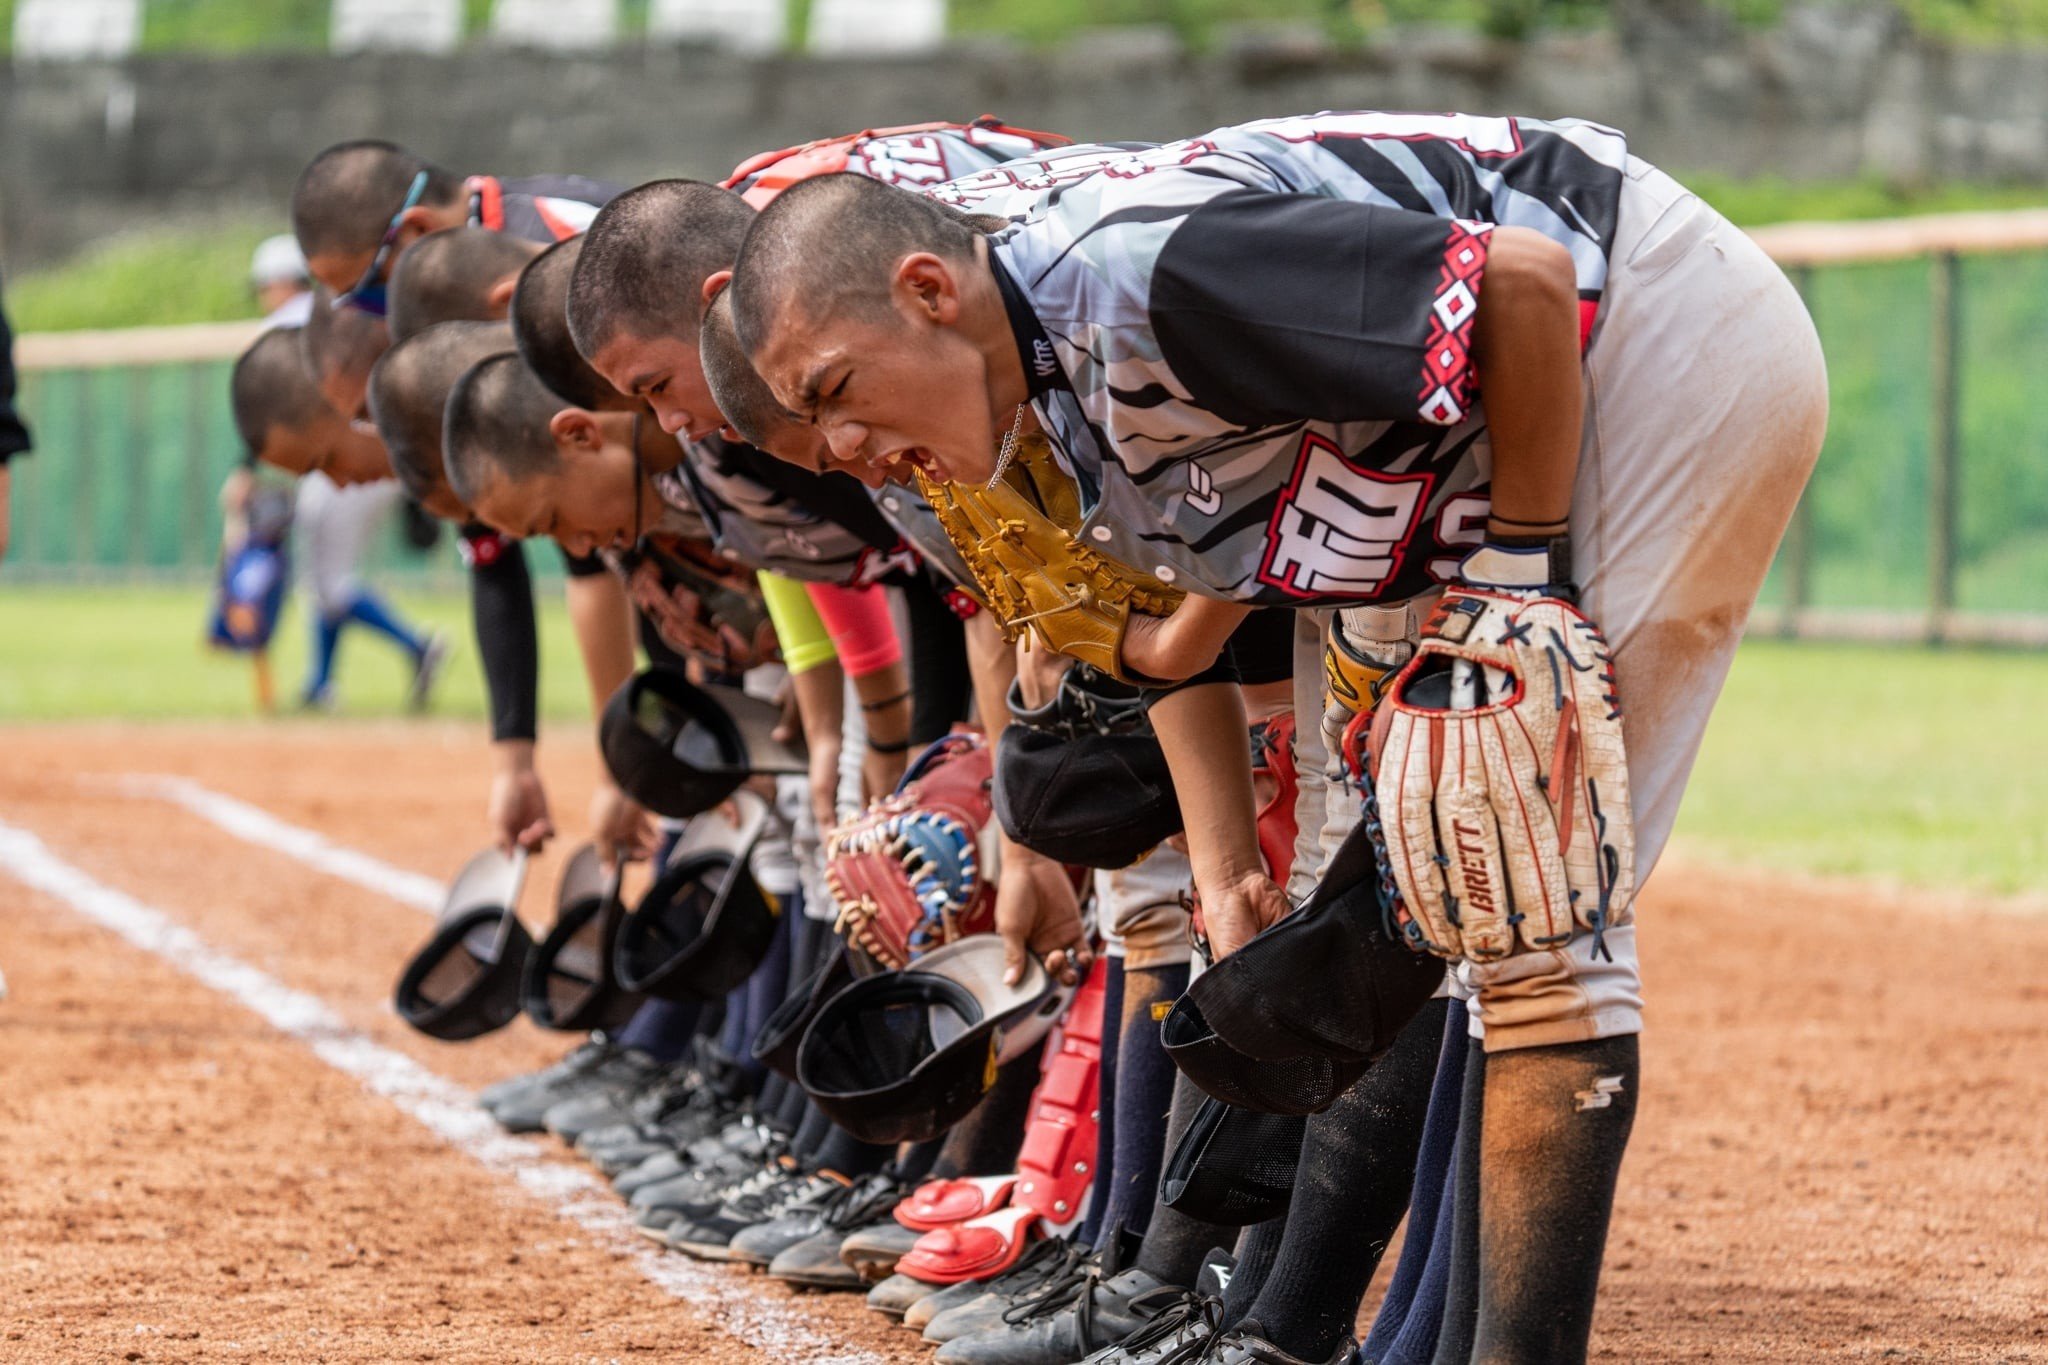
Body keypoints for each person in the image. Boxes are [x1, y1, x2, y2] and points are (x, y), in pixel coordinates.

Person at [727, 111, 1829, 1363]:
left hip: (1643, 335)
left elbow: (1520, 285)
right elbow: (1210, 598)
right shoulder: (1032, 394)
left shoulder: (1135, 283)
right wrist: (1218, 868)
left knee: (1517, 882)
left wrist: (1517, 573)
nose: (842, 452)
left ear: (926, 290)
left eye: (832, 392)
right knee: (1405, 877)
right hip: (1474, 438)